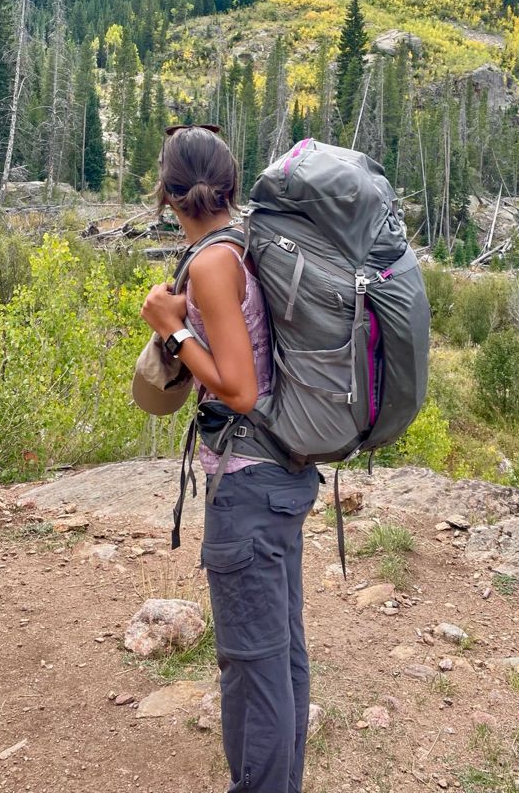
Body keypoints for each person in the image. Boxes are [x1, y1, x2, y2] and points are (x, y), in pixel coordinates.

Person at [140, 125, 319, 793]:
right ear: (229, 185)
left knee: (252, 664)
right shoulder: (241, 245)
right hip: (276, 476)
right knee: (280, 658)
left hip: (248, 484)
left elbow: (239, 390)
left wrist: (173, 328)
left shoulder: (214, 263)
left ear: (166, 191)